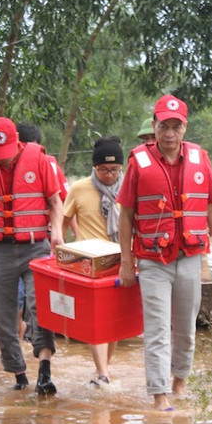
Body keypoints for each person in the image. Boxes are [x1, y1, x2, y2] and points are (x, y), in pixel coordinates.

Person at [117, 95, 212, 411]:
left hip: (190, 258)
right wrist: (126, 262)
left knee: (186, 328)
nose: (169, 133)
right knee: (156, 330)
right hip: (153, 261)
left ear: (185, 127)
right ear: (154, 126)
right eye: (163, 126)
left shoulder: (199, 159)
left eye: (175, 126)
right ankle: (159, 395)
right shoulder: (138, 162)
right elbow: (125, 214)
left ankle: (180, 382)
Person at [0, 117, 64, 396]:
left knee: (40, 307)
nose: (4, 161)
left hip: (35, 247)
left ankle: (44, 372)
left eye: (8, 154)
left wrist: (56, 232)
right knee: (4, 317)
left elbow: (55, 201)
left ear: (18, 143)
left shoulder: (40, 160)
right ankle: (19, 376)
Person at [62, 136, 125, 387]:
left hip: (120, 259)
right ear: (94, 167)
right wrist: (63, 247)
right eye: (103, 169)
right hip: (89, 264)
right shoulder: (78, 188)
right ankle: (102, 373)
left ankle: (104, 370)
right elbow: (64, 221)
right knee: (95, 320)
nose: (109, 175)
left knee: (114, 321)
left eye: (114, 170)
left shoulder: (129, 187)